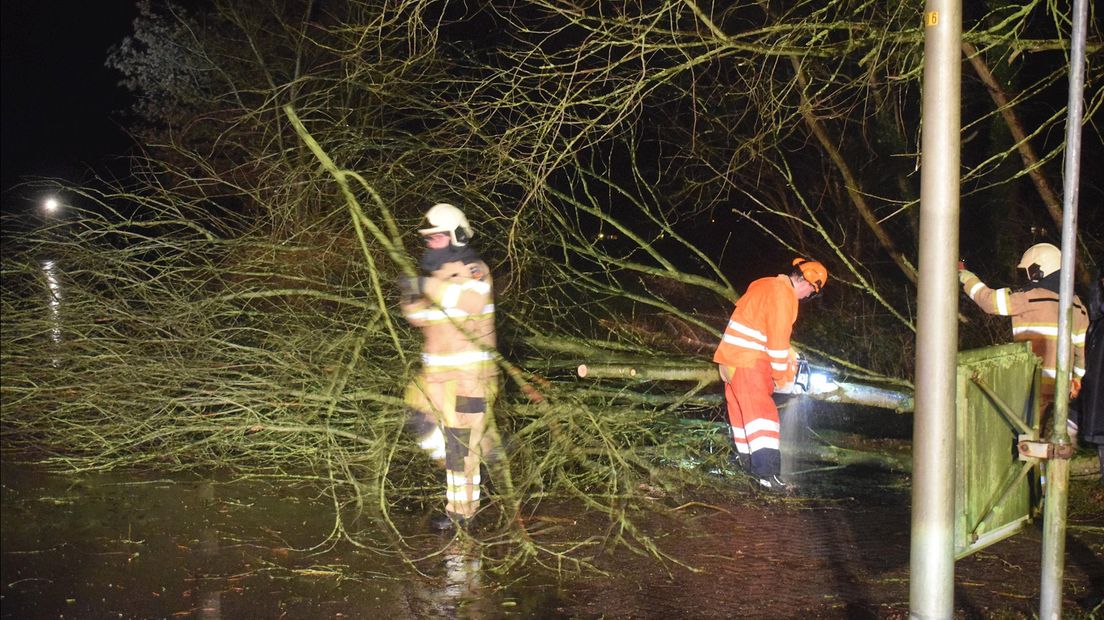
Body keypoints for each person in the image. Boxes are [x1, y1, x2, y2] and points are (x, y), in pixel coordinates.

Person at [400, 203, 499, 530]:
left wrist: (425, 287)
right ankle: (488, 447)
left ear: (457, 235)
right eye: (428, 238)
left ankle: (461, 514)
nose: (432, 243)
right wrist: (410, 294)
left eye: (439, 237)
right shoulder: (437, 277)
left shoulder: (475, 270)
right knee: (421, 422)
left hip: (471, 382)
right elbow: (418, 318)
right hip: (436, 382)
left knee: (459, 452)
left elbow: (471, 301)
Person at [713, 257, 827, 491]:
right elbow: (776, 344)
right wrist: (782, 376)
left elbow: (760, 328)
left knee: (744, 420)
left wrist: (790, 355)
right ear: (809, 284)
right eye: (812, 293)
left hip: (730, 362)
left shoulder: (764, 284)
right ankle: (767, 475)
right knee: (762, 418)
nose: (807, 298)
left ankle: (747, 469)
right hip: (749, 362)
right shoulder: (783, 296)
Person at [958, 243, 1089, 433]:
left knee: (1026, 441)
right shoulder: (1078, 306)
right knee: (1052, 447)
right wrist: (1075, 382)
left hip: (1031, 388)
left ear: (1038, 271)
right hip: (1061, 394)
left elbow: (989, 302)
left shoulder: (1030, 298)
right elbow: (1081, 357)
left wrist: (965, 276)